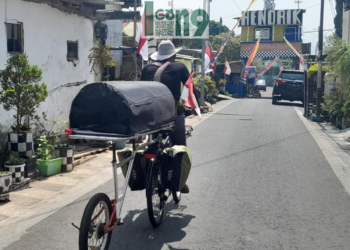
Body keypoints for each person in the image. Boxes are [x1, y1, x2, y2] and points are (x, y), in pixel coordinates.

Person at [141, 40, 192, 193]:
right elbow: (190, 87)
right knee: (179, 146)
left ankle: (150, 174)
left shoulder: (147, 68)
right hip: (171, 113)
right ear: (174, 55)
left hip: (150, 115)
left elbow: (141, 89)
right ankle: (180, 181)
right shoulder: (180, 66)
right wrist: (192, 105)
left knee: (153, 143)